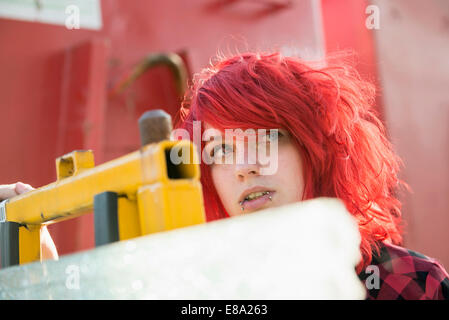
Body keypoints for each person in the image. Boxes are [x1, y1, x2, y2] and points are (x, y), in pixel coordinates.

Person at [1, 52, 448, 299]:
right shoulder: (200, 289)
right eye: (219, 152)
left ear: (316, 150)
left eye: (265, 141)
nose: (244, 167)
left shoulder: (409, 284)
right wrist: (44, 277)